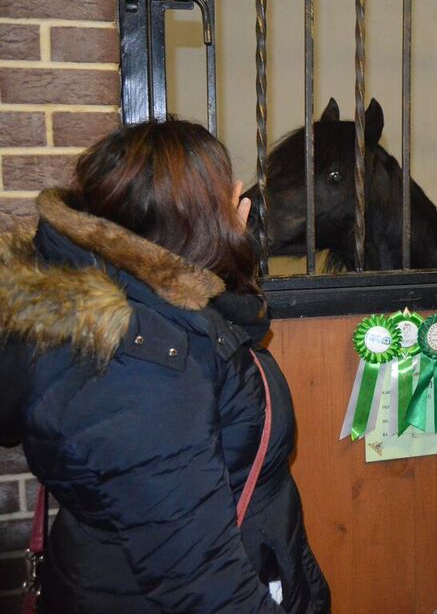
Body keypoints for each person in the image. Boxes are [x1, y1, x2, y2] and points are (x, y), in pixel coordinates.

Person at [0, 121, 330, 613]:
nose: (238, 201)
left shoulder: (140, 311)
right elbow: (203, 581)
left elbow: (223, 346)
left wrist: (227, 257)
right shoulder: (142, 366)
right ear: (192, 219)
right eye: (221, 195)